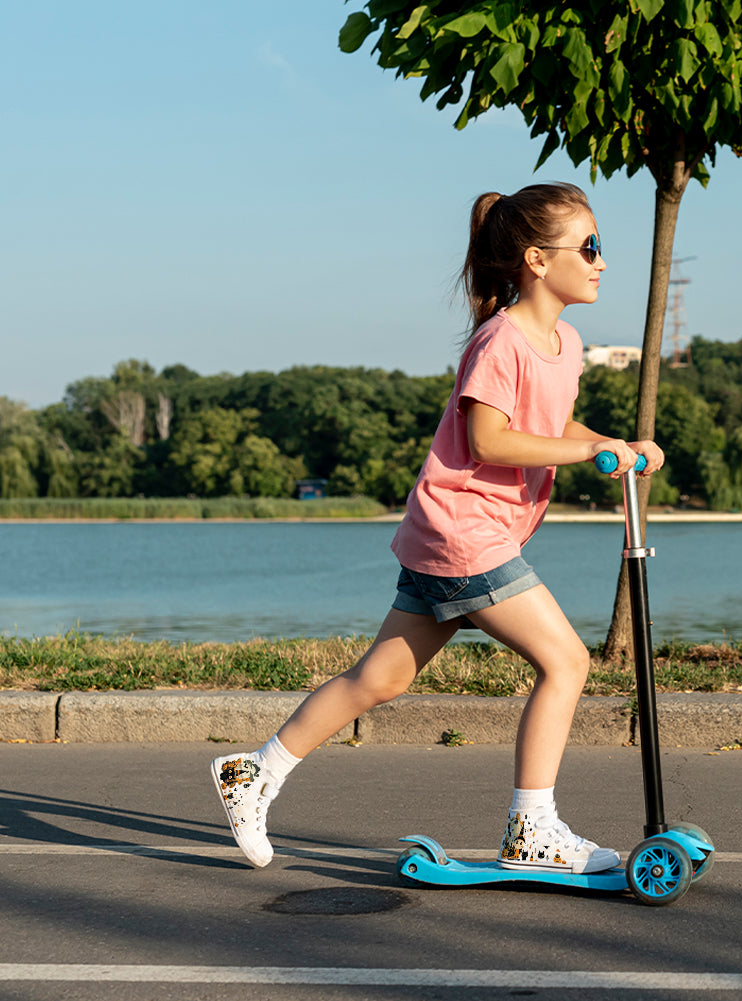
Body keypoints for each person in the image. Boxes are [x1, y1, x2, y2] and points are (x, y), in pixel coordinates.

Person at [211, 181, 664, 875]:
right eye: (591, 247)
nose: (603, 261)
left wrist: (615, 444)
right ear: (537, 260)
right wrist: (580, 450)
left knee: (379, 678)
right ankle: (531, 829)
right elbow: (489, 438)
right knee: (567, 661)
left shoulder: (564, 343)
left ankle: (254, 770)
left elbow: (548, 426)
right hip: (464, 530)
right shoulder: (501, 339)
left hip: (453, 531)